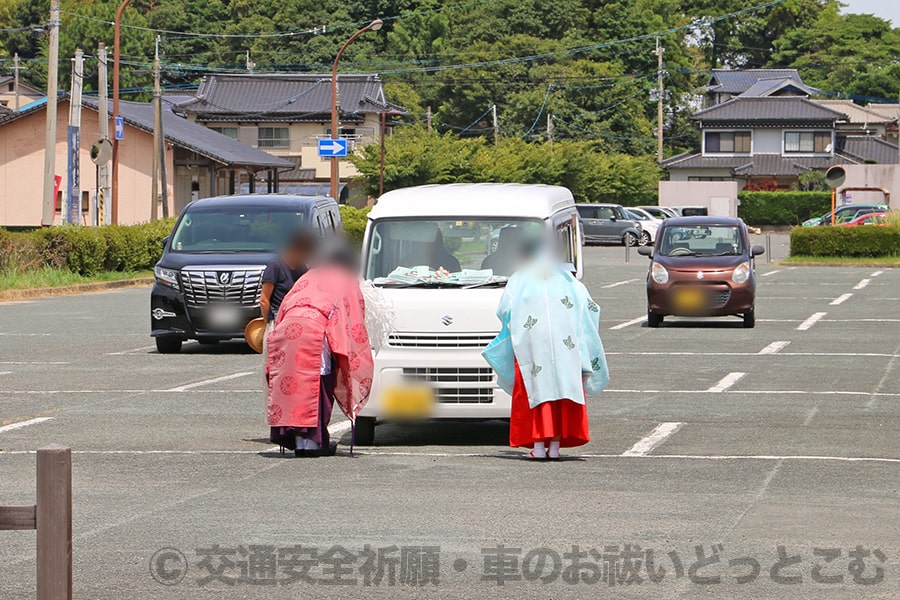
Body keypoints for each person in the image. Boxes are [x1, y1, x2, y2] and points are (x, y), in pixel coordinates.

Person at [482, 242, 609, 460]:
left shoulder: (519, 279)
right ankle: (555, 447)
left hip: (531, 344)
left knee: (535, 390)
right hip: (566, 346)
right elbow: (590, 308)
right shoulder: (569, 280)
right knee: (563, 390)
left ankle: (539, 446)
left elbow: (504, 310)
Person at [266, 239, 374, 457]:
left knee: (292, 385)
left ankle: (298, 440)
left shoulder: (308, 276)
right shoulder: (346, 280)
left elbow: (286, 304)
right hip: (316, 331)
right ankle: (313, 443)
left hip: (286, 331)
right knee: (318, 384)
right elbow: (355, 317)